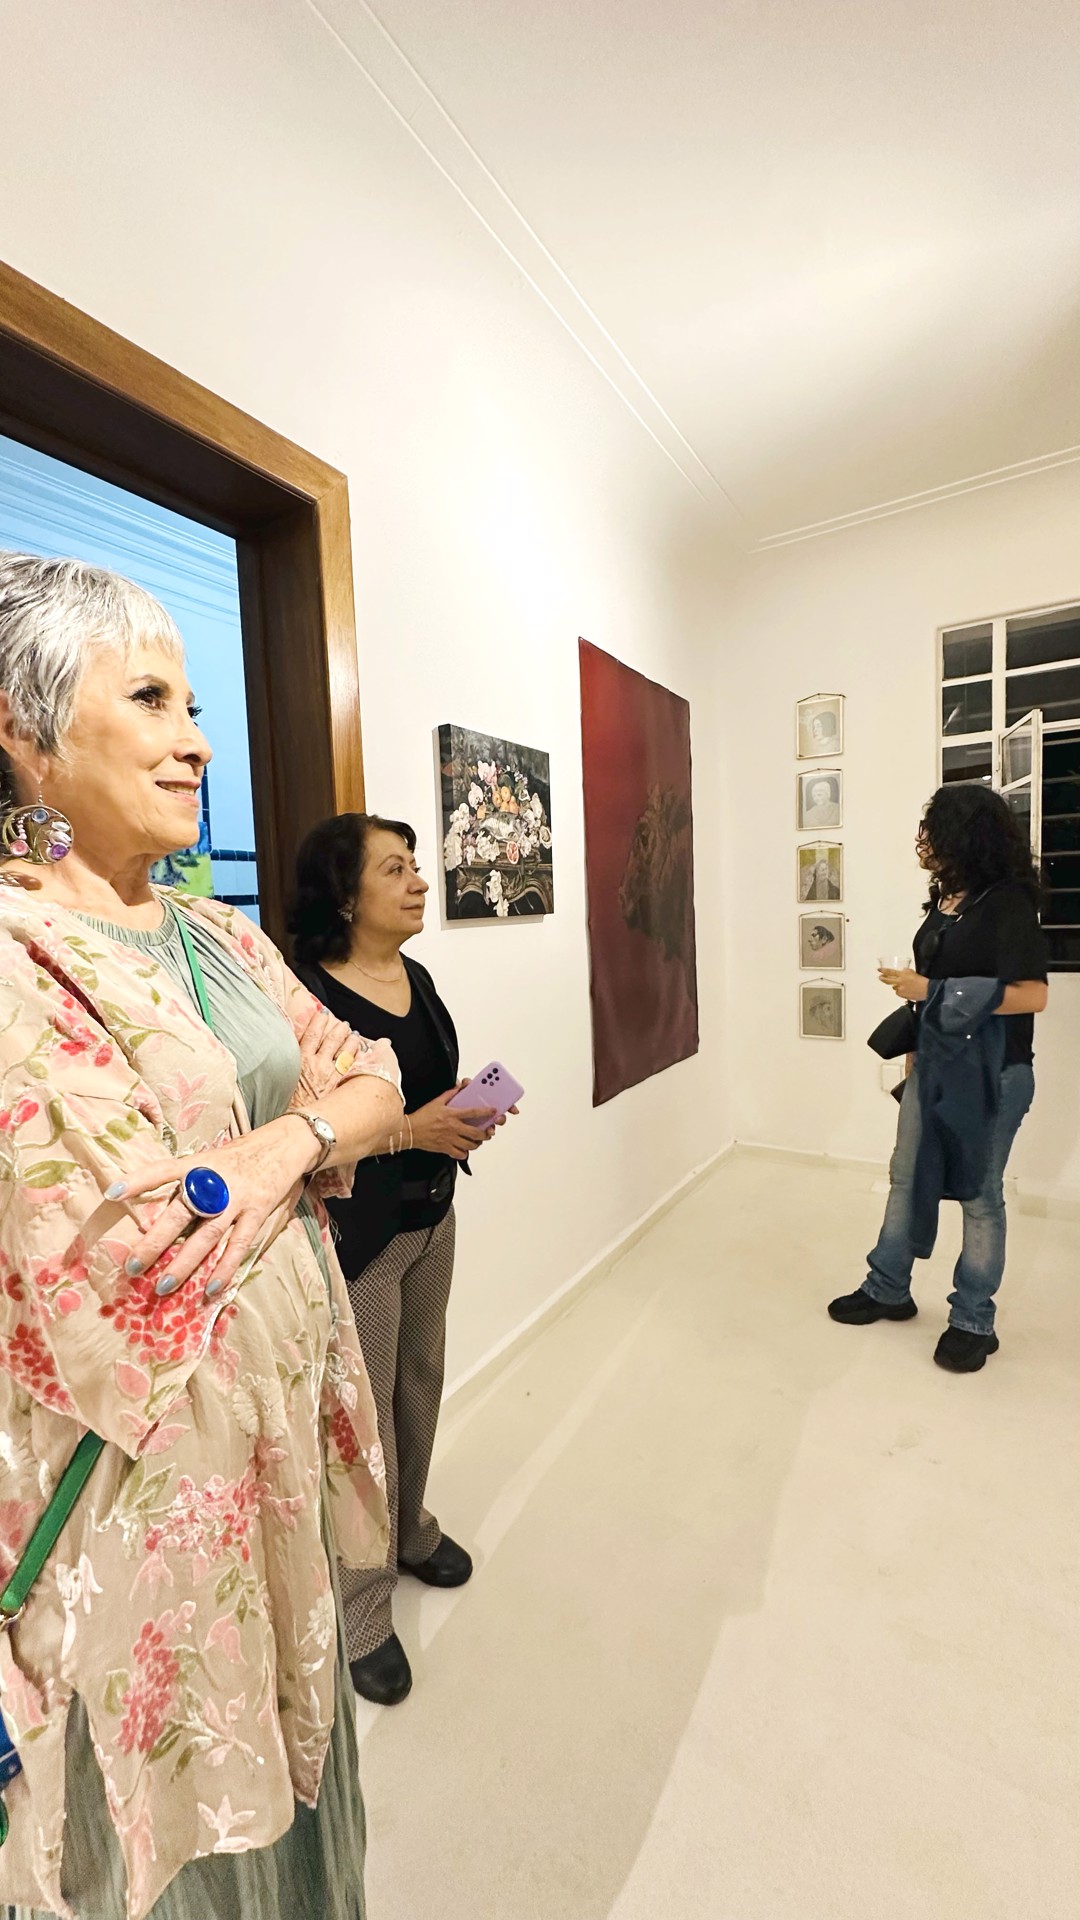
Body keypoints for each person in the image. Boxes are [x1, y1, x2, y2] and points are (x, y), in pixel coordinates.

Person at [0, 554, 406, 1920]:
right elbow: (136, 1269)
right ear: (23, 728)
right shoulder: (15, 953)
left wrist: (275, 1148)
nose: (197, 742)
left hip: (273, 1460)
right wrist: (315, 1139)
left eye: (194, 705)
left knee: (307, 1803)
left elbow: (372, 1073)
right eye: (150, 699)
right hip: (140, 1515)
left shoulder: (215, 932)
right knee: (187, 1837)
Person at [290, 815, 511, 1707]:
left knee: (420, 1382)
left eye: (416, 865)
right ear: (346, 896)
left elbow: (417, 1096)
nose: (419, 881)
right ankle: (362, 1608)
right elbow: (303, 1133)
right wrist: (412, 1132)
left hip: (431, 1217)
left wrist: (458, 1113)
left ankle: (410, 1531)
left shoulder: (414, 976)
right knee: (364, 1423)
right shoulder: (307, 998)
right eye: (395, 869)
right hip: (362, 1238)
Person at [828, 783, 1048, 1373]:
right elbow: (935, 993)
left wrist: (931, 990)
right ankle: (887, 1288)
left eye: (932, 828)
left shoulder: (1008, 904)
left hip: (994, 1074)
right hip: (935, 1064)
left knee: (979, 1195)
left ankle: (973, 1321)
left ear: (966, 835)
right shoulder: (946, 898)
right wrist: (915, 1051)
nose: (922, 839)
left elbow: (1033, 995)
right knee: (906, 1176)